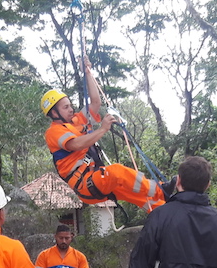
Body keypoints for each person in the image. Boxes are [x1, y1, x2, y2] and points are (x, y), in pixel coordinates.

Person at [41, 58, 169, 213]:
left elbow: (95, 103)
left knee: (137, 193)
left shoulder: (76, 121)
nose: (70, 109)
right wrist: (102, 129)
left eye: (70, 105)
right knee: (117, 171)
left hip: (96, 179)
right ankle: (162, 190)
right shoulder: (53, 132)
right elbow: (76, 144)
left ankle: (166, 211)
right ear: (54, 112)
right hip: (85, 184)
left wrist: (87, 72)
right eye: (65, 107)